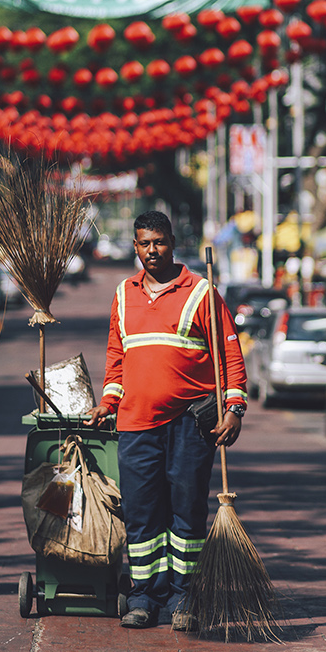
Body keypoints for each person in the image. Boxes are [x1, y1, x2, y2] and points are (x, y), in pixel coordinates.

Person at [85, 210, 248, 630]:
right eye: (143, 243)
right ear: (135, 246)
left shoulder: (202, 292)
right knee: (141, 513)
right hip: (136, 424)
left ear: (172, 242)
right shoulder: (124, 294)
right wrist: (108, 400)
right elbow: (116, 358)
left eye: (158, 242)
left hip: (191, 425)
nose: (151, 251)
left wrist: (233, 409)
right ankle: (143, 597)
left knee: (186, 512)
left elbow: (230, 355)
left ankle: (182, 597)